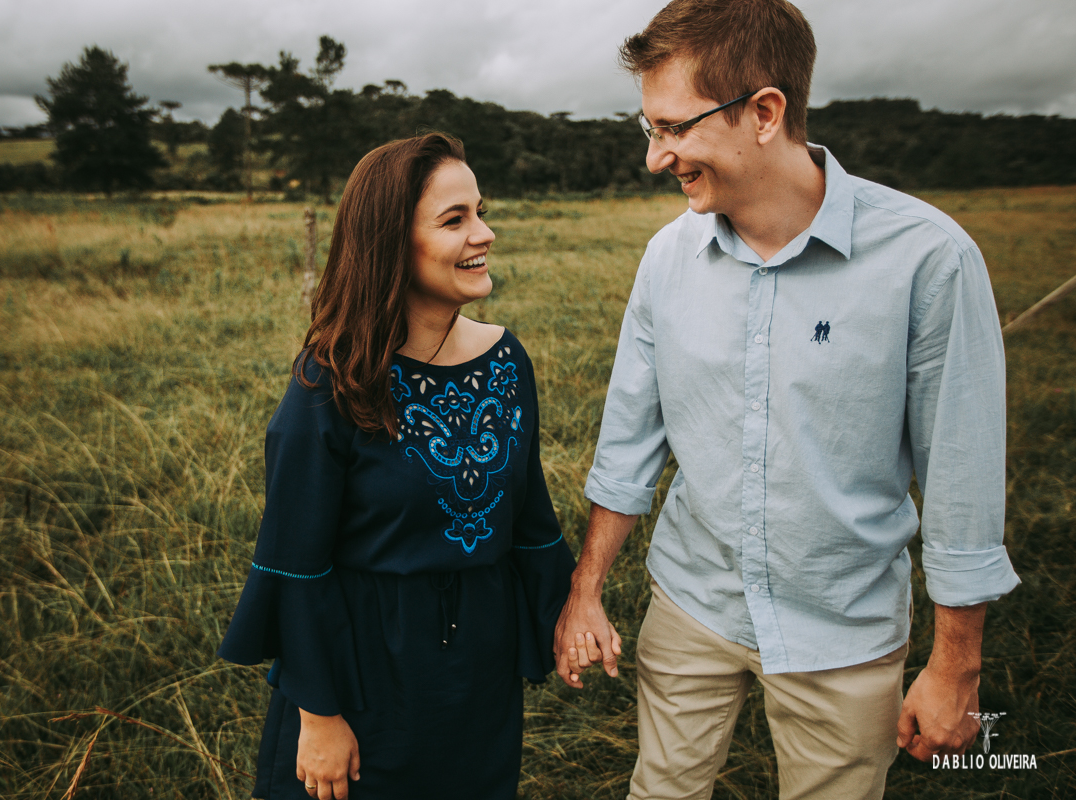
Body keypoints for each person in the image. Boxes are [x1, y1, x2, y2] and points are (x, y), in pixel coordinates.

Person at [553, 1, 1020, 798]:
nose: (656, 157)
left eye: (674, 128)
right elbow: (629, 437)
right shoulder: (667, 259)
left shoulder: (929, 259)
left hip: (843, 626)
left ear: (765, 112)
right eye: (649, 129)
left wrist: (955, 667)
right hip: (691, 602)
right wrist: (586, 591)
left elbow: (963, 482)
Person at [218, 133, 575, 800]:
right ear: (390, 243)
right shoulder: (330, 381)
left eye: (480, 211)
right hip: (365, 676)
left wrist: (571, 612)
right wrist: (320, 715)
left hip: (477, 678)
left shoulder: (505, 361)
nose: (485, 233)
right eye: (455, 219)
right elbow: (295, 562)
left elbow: (529, 518)